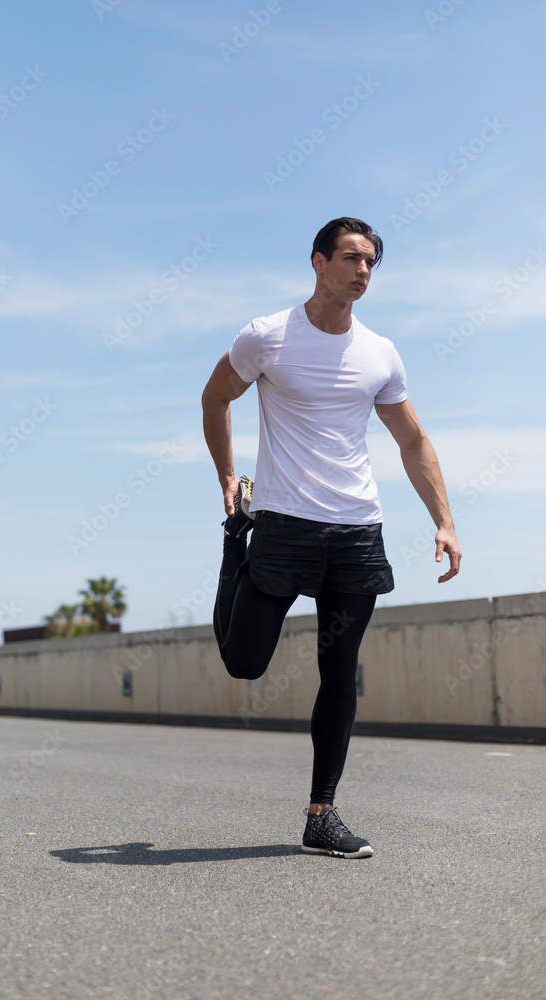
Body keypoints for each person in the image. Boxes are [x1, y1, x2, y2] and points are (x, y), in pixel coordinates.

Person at [201, 217, 461, 859]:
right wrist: (228, 476)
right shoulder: (267, 336)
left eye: (370, 261)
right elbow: (215, 398)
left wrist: (444, 519)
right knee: (244, 663)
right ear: (318, 262)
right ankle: (235, 547)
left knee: (340, 669)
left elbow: (412, 440)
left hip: (356, 530)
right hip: (284, 526)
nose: (362, 271)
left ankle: (322, 815)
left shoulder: (380, 353)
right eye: (350, 258)